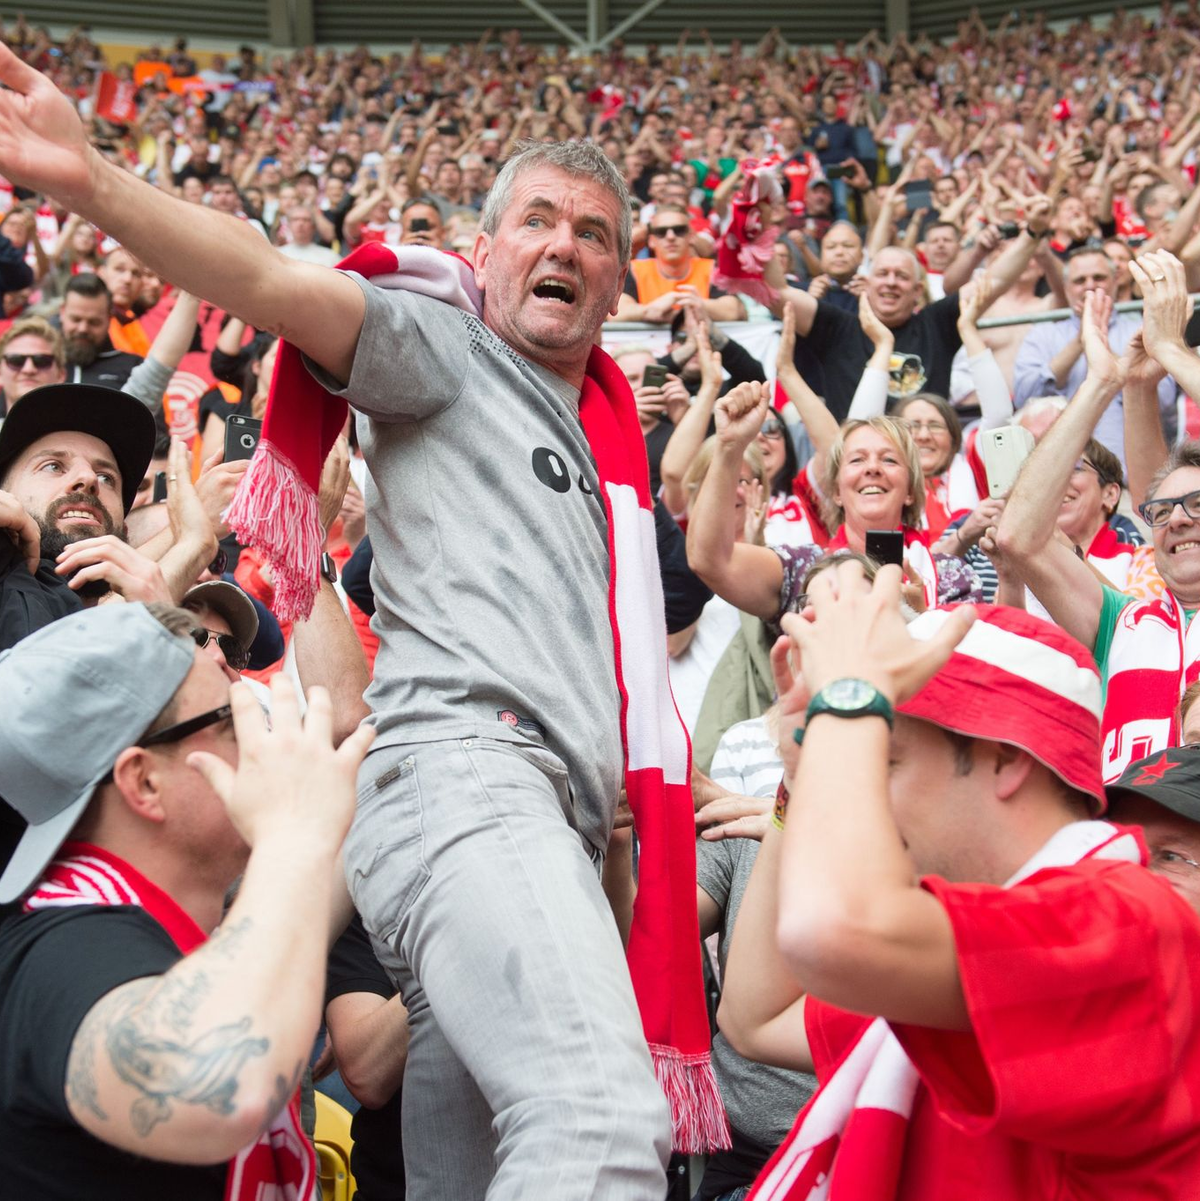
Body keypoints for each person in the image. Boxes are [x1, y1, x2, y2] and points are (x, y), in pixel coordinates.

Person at [0, 61, 693, 1197]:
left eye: (595, 234)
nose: (564, 246)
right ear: (483, 255)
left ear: (621, 283)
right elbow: (272, 279)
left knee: (476, 1175)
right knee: (602, 1123)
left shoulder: (609, 442)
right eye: (537, 221)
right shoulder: (445, 347)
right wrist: (93, 182)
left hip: (538, 811)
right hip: (472, 781)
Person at [719, 570, 1200, 1199]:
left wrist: (846, 702)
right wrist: (803, 772)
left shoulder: (1128, 918)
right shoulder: (977, 938)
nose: (868, 796)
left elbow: (831, 932)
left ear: (1005, 758)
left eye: (886, 760)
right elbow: (757, 1016)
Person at [0, 601, 376, 1198]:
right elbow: (219, 1089)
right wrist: (292, 838)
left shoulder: (139, 918)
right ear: (144, 782)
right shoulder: (63, 949)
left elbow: (292, 909)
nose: (261, 726)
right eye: (231, 718)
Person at [996, 251, 1200, 781]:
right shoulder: (1122, 621)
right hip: (1130, 854)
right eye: (1162, 512)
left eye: (1198, 505)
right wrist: (1101, 383)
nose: (1177, 519)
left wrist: (1171, 352)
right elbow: (1019, 535)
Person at [687, 382, 979, 625]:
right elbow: (709, 560)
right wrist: (729, 446)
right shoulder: (802, 566)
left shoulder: (952, 575)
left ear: (911, 492)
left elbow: (972, 672)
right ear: (837, 491)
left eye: (889, 459)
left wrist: (920, 619)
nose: (872, 468)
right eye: (857, 459)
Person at [760, 198, 1053, 421]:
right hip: (857, 468)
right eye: (883, 274)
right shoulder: (837, 327)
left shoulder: (936, 323)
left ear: (917, 291)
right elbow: (777, 293)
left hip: (925, 462)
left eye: (901, 277)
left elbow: (995, 280)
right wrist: (761, 226)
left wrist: (1033, 232)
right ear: (867, 282)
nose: (891, 283)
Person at [1012, 247, 1178, 466]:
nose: (1090, 285)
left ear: (1115, 280)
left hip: (1130, 473)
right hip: (1062, 474)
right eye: (1080, 280)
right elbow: (1025, 397)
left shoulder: (1142, 330)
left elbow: (1165, 399)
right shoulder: (1042, 335)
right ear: (1066, 287)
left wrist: (1098, 340)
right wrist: (1079, 342)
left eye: (1098, 277)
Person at [614, 204, 746, 324]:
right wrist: (650, 310)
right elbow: (618, 312)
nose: (670, 237)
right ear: (651, 241)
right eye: (661, 232)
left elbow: (735, 309)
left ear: (691, 236)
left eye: (679, 230)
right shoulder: (636, 269)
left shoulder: (710, 268)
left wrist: (694, 304)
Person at [56, 273, 144, 388]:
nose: (83, 329)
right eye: (76, 320)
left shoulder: (134, 369)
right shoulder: (38, 363)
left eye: (94, 322)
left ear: (109, 318)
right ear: (62, 312)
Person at [0, 315, 65, 414]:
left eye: (41, 361)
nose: (28, 369)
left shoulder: (83, 428)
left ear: (61, 375)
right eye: (16, 361)